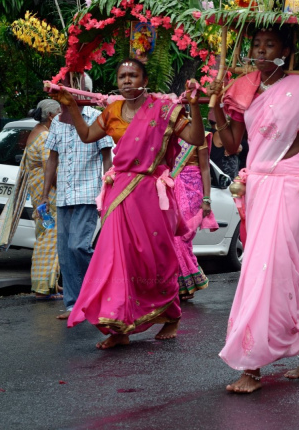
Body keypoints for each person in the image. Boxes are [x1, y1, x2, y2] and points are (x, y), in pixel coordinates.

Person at [208, 25, 299, 393]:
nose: (262, 51)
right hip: (258, 186)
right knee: (278, 271)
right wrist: (216, 106)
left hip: (292, 185)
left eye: (270, 45)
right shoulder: (242, 88)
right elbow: (232, 145)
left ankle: (250, 366)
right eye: (256, 45)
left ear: (287, 48)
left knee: (268, 270)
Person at [51, 58, 205, 348]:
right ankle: (118, 327)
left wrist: (195, 107)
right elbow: (86, 136)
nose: (126, 80)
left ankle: (171, 314)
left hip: (150, 194)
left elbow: (196, 138)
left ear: (144, 78)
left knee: (153, 257)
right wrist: (72, 105)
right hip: (120, 192)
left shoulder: (164, 110)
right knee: (115, 259)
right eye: (122, 76)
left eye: (133, 75)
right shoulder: (112, 111)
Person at [41, 76, 113, 320]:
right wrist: (43, 196)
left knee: (78, 246)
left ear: (86, 93)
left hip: (87, 193)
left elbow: (107, 156)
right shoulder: (58, 122)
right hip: (63, 196)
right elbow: (52, 159)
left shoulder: (95, 118)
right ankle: (74, 305)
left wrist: (107, 189)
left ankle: (104, 285)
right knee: (65, 253)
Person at [171, 134, 218, 300]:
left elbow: (205, 168)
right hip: (169, 187)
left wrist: (206, 198)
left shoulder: (199, 136)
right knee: (171, 237)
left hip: (193, 189)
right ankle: (179, 285)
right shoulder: (166, 133)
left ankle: (186, 282)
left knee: (182, 236)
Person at [208, 110, 240, 180]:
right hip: (226, 177)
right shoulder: (220, 134)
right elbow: (237, 148)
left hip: (217, 175)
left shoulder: (209, 133)